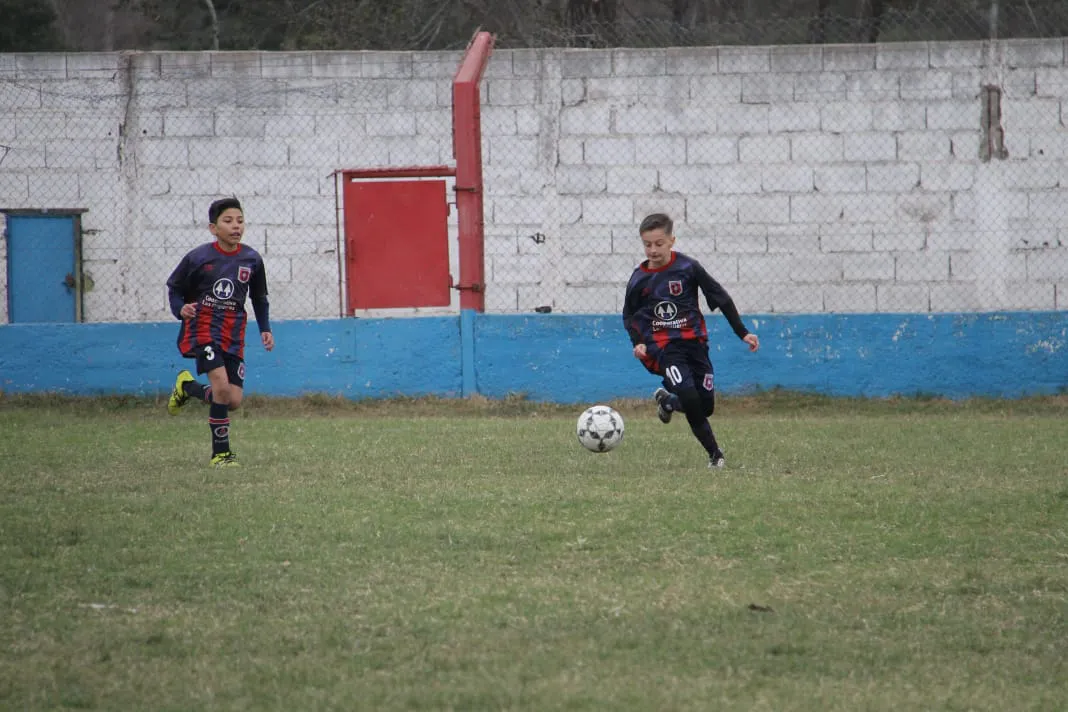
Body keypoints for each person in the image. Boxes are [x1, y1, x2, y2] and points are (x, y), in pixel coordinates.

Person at [622, 213, 759, 469]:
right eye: (647, 244)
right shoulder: (639, 279)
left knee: (704, 406)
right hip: (664, 348)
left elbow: (721, 298)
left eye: (659, 243)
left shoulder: (688, 268)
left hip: (695, 344)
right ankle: (715, 455)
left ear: (672, 240)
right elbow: (630, 315)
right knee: (689, 394)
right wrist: (637, 343)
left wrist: (743, 332)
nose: (652, 250)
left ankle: (667, 401)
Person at [165, 197, 274, 467]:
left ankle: (187, 387)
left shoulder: (251, 259)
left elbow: (259, 298)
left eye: (239, 221)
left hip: (233, 333)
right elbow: (175, 288)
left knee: (233, 400)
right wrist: (181, 310)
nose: (235, 226)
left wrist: (265, 329)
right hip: (204, 329)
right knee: (222, 388)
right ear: (213, 228)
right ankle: (221, 454)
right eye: (228, 221)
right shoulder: (198, 258)